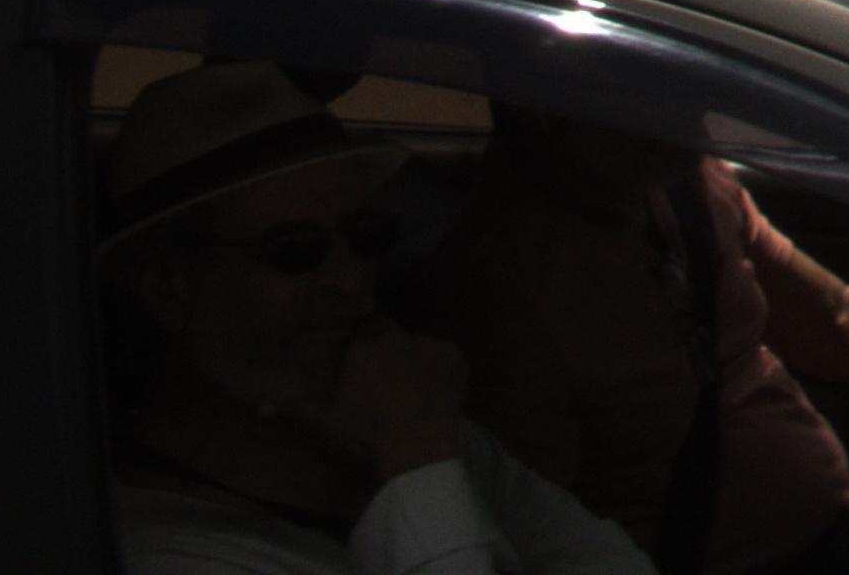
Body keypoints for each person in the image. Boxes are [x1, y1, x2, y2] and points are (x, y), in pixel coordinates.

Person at [446, 105, 849, 575]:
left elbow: (841, 324)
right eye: (639, 80)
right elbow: (537, 536)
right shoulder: (504, 292)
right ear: (546, 105)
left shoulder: (682, 184)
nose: (690, 107)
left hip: (843, 527)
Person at [99, 61, 648, 575]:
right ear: (170, 289)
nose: (349, 278)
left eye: (366, 237)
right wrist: (417, 464)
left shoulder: (391, 414)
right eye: (296, 250)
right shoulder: (165, 550)